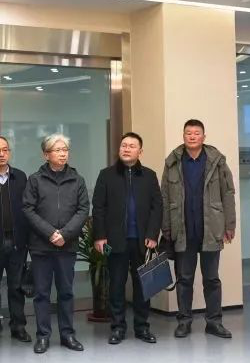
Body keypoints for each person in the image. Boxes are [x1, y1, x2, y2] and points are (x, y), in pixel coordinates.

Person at [160, 119, 236, 339]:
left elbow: (228, 193)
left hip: (211, 229)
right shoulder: (173, 162)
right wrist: (166, 228)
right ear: (183, 136)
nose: (192, 136)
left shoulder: (217, 160)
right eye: (188, 133)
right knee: (184, 279)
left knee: (211, 279)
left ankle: (214, 322)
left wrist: (229, 225)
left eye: (196, 133)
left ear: (204, 136)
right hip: (183, 230)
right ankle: (184, 321)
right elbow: (164, 196)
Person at [92, 132, 163, 345]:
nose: (126, 149)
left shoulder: (149, 176)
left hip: (142, 241)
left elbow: (157, 207)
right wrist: (100, 236)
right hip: (114, 241)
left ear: (140, 151)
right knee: (116, 285)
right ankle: (117, 327)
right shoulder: (106, 175)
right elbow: (98, 207)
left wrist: (152, 234)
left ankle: (142, 327)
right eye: (124, 145)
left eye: (132, 146)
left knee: (143, 286)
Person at [23, 133, 89, 354]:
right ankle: (43, 336)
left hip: (67, 246)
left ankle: (67, 334)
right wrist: (50, 233)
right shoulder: (35, 180)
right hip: (41, 246)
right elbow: (28, 209)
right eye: (58, 150)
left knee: (66, 292)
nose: (63, 154)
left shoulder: (77, 180)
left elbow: (83, 209)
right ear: (46, 154)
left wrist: (65, 234)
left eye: (65, 150)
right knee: (42, 293)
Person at [0, 136, 32, 344]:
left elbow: (28, 208)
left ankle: (18, 326)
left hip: (17, 241)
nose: (1, 154)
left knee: (16, 286)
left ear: (9, 152)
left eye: (5, 150)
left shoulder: (20, 177)